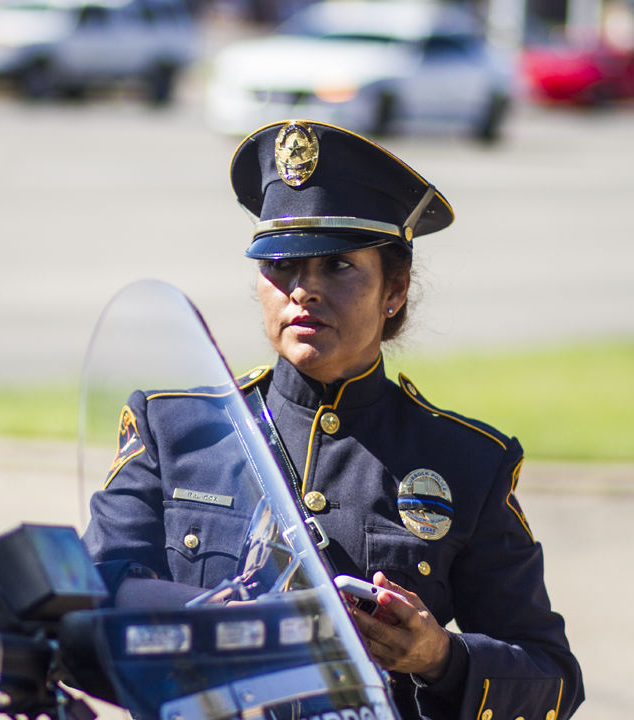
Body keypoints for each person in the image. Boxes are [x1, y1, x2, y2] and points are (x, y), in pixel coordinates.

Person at [82, 121, 583, 720]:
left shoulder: (469, 461)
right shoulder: (173, 428)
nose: (303, 291)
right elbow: (93, 591)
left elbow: (552, 679)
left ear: (393, 290)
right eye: (280, 266)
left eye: (338, 266)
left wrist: (439, 657)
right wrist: (217, 619)